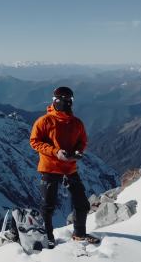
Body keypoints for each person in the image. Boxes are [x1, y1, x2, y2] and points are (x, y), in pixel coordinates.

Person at [29, 86, 100, 248]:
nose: (68, 104)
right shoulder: (44, 121)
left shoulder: (76, 123)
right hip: (50, 167)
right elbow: (34, 142)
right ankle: (48, 237)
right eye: (65, 100)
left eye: (70, 101)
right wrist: (55, 152)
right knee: (48, 205)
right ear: (56, 100)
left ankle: (79, 234)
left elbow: (83, 141)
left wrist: (78, 152)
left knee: (81, 203)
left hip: (69, 167)